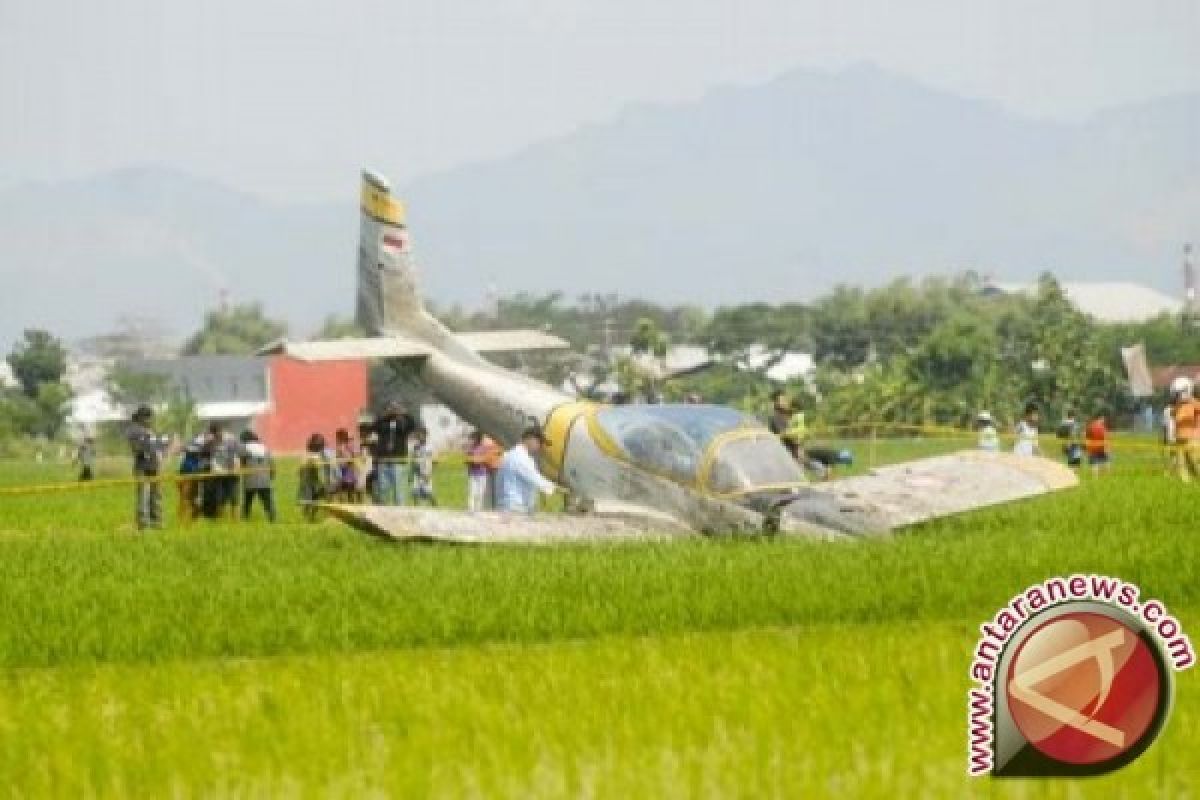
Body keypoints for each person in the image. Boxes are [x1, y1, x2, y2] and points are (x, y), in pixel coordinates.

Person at [495, 427, 559, 513]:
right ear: (530, 439)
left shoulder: (511, 454)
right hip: (515, 506)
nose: (540, 447)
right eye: (539, 442)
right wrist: (558, 489)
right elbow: (535, 479)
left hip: (510, 504)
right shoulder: (520, 457)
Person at [127, 405, 169, 530]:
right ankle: (143, 524)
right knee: (143, 497)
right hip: (142, 467)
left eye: (150, 418)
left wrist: (162, 447)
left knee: (156, 495)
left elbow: (159, 446)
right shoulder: (134, 430)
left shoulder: (151, 430)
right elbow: (137, 449)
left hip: (154, 466)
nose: (149, 420)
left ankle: (157, 522)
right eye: (147, 417)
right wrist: (147, 447)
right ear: (140, 417)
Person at [373, 401, 416, 505]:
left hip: (398, 462)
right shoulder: (383, 423)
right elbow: (374, 426)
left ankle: (400, 514)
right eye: (391, 408)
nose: (393, 410)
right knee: (382, 490)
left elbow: (412, 425)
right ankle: (382, 513)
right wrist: (385, 415)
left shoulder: (403, 423)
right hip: (383, 461)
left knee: (399, 492)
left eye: (396, 408)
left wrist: (404, 413)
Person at [239, 430, 276, 521]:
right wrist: (271, 476)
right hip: (264, 480)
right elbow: (271, 463)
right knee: (268, 502)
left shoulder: (244, 448)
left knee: (247, 502)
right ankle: (272, 518)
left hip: (250, 480)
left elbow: (242, 464)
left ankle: (245, 518)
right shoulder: (264, 448)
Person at [177, 430, 213, 524]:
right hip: (189, 472)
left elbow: (180, 449)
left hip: (190, 472)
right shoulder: (200, 446)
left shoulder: (196, 445)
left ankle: (188, 518)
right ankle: (184, 518)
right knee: (187, 497)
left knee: (190, 497)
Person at [1171, 377, 1200, 482]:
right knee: (1181, 463)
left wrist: (1191, 400)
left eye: (1177, 394)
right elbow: (1174, 415)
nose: (1175, 396)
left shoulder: (1194, 404)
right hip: (1179, 439)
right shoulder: (1178, 405)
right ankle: (1185, 484)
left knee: (1195, 462)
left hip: (1193, 439)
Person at [298, 433, 331, 521]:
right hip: (309, 482)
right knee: (309, 501)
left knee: (318, 500)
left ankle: (314, 516)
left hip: (318, 482)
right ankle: (308, 516)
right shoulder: (308, 455)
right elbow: (302, 468)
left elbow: (325, 468)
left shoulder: (322, 455)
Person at [464, 430, 492, 511]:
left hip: (482, 474)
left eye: (473, 438)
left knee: (480, 493)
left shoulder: (484, 448)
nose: (472, 440)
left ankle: (478, 509)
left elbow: (486, 460)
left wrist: (477, 460)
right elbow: (467, 461)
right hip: (473, 474)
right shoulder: (470, 449)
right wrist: (470, 460)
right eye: (471, 439)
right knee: (472, 492)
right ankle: (471, 509)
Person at [767, 391, 799, 460]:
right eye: (783, 400)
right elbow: (785, 434)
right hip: (786, 453)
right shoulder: (777, 417)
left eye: (786, 400)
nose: (786, 402)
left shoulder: (787, 415)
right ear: (776, 403)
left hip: (793, 451)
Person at [409, 427, 437, 506]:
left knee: (428, 491)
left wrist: (430, 473)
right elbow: (413, 460)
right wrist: (411, 472)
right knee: (415, 491)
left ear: (426, 435)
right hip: (417, 472)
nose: (420, 437)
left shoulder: (431, 446)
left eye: (422, 435)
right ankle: (416, 507)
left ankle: (435, 506)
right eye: (419, 435)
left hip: (426, 472)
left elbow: (435, 461)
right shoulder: (415, 447)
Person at [334, 428, 362, 503]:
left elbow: (354, 456)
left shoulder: (348, 445)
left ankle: (356, 503)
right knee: (343, 489)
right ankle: (346, 503)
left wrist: (346, 457)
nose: (337, 439)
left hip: (350, 470)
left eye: (338, 437)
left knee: (352, 489)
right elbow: (338, 457)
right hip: (342, 470)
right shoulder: (340, 446)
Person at [1084, 410, 1110, 474]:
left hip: (1092, 448)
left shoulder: (1090, 426)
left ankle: (1095, 478)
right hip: (1101, 447)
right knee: (1105, 462)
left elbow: (1087, 438)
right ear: (1100, 418)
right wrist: (1107, 448)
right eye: (1103, 418)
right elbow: (1105, 438)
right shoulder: (1102, 427)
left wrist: (1087, 448)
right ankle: (1105, 476)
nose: (1104, 420)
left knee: (1094, 464)